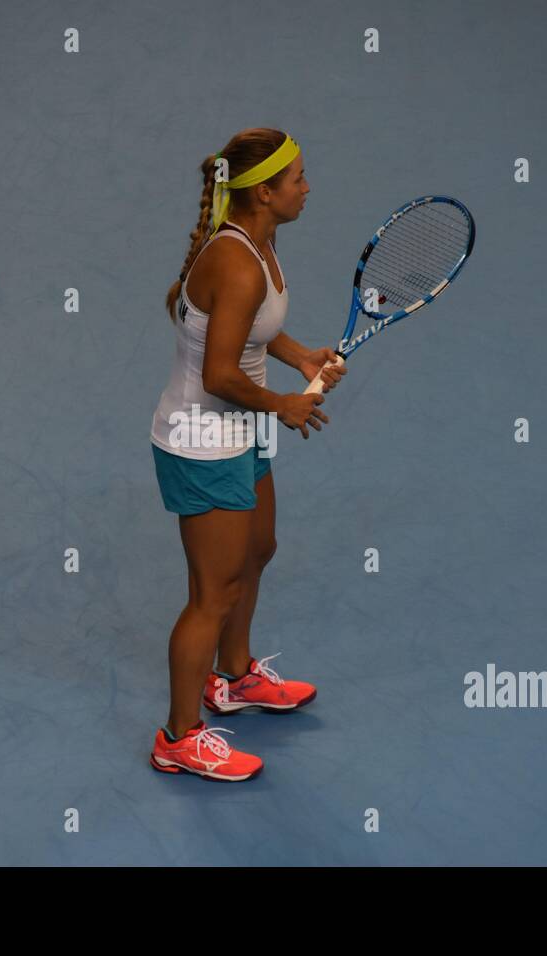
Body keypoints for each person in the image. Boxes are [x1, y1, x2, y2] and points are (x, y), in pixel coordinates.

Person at [148, 128, 347, 781]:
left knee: (258, 552)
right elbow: (219, 375)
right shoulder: (234, 260)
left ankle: (232, 678)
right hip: (204, 439)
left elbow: (248, 324)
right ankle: (179, 736)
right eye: (297, 180)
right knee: (214, 591)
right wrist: (284, 404)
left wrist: (300, 356)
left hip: (241, 433)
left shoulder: (259, 240)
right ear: (265, 192)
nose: (307, 188)